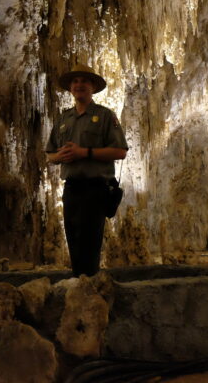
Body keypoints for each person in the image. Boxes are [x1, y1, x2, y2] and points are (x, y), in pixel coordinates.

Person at [46, 64, 128, 276]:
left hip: (96, 188)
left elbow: (120, 151)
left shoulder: (104, 116)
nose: (79, 84)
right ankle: (78, 284)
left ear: (92, 87)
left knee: (90, 242)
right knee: (73, 238)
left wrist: (84, 152)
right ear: (71, 88)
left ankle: (89, 286)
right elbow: (49, 154)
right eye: (75, 81)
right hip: (72, 189)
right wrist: (59, 157)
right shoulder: (63, 119)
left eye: (84, 81)